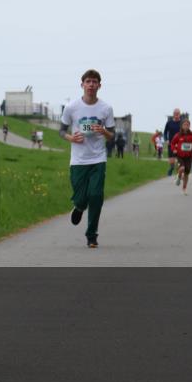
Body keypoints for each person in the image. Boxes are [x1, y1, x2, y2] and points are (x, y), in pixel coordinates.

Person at [60, 69, 115, 248]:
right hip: (78, 159)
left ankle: (92, 235)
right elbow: (61, 130)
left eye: (94, 82)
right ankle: (79, 207)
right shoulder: (72, 107)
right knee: (81, 197)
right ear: (82, 84)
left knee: (96, 195)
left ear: (99, 85)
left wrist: (103, 131)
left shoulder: (106, 108)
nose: (91, 85)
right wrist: (71, 138)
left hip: (98, 158)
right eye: (88, 81)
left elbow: (112, 135)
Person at [170, 119, 192, 195]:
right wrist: (174, 150)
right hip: (180, 156)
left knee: (186, 173)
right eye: (184, 125)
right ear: (182, 126)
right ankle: (179, 178)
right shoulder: (178, 135)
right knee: (182, 168)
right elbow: (172, 143)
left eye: (187, 125)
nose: (186, 126)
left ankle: (184, 189)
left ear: (189, 126)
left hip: (188, 157)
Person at [163, 108, 182, 177]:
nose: (176, 115)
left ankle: (179, 172)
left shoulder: (182, 123)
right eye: (175, 114)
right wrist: (166, 140)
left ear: (180, 115)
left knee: (180, 159)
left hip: (180, 143)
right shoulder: (169, 123)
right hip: (171, 143)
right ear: (173, 115)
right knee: (171, 159)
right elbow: (165, 132)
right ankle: (171, 168)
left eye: (178, 114)